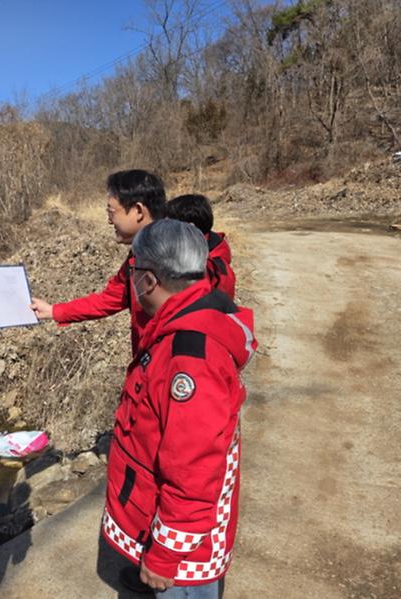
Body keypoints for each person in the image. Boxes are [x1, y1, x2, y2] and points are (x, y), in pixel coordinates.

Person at [101, 219, 256, 598]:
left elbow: (194, 467)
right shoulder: (181, 322)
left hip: (185, 556)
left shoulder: (190, 356)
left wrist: (166, 552)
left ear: (148, 281)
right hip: (157, 517)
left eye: (133, 272)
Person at [30, 169, 166, 355]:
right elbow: (109, 299)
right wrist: (54, 311)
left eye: (112, 212)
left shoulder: (177, 256)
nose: (110, 222)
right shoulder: (137, 257)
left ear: (138, 211)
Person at [166, 194, 236, 299]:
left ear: (190, 228)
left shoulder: (213, 270)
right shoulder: (201, 252)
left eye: (170, 225)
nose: (165, 231)